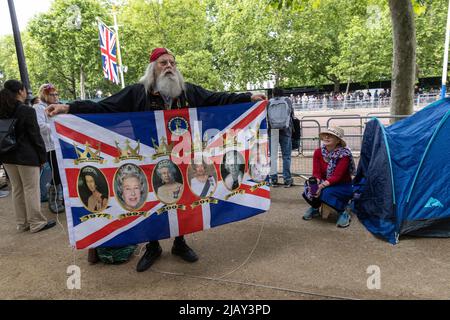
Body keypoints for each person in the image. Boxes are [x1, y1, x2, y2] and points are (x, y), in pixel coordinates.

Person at [46, 47, 266, 272]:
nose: (169, 66)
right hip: (148, 162)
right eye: (163, 63)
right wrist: (69, 107)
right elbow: (103, 107)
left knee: (181, 199)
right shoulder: (137, 93)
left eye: (172, 62)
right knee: (152, 201)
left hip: (182, 158)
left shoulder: (187, 92)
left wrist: (248, 98)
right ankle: (153, 246)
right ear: (153, 68)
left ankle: (180, 243)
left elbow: (217, 98)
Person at [0, 80, 55, 233]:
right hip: (26, 156)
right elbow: (35, 136)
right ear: (20, 91)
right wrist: (42, 157)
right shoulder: (26, 110)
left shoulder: (2, 109)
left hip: (7, 155)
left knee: (17, 189)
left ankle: (22, 223)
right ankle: (36, 222)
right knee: (31, 188)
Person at [302, 126, 355, 228]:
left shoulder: (344, 154)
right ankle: (315, 207)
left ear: (338, 140)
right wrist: (316, 183)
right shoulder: (318, 152)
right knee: (309, 188)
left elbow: (337, 177)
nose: (326, 137)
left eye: (331, 135)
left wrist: (321, 186)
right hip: (325, 182)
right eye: (325, 135)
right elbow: (316, 172)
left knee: (325, 193)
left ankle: (344, 211)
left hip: (342, 185)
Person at [33, 83, 64, 213]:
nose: (55, 96)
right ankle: (53, 199)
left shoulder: (59, 105)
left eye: (56, 94)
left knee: (62, 173)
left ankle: (61, 197)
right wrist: (57, 126)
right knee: (56, 174)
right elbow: (40, 126)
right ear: (45, 95)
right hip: (49, 146)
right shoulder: (38, 107)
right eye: (52, 94)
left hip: (60, 144)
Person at [268, 87, 294, 188]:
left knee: (273, 156)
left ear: (273, 94)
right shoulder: (287, 101)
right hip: (286, 130)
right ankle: (287, 179)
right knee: (286, 156)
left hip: (273, 130)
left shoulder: (269, 102)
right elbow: (291, 114)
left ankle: (273, 179)